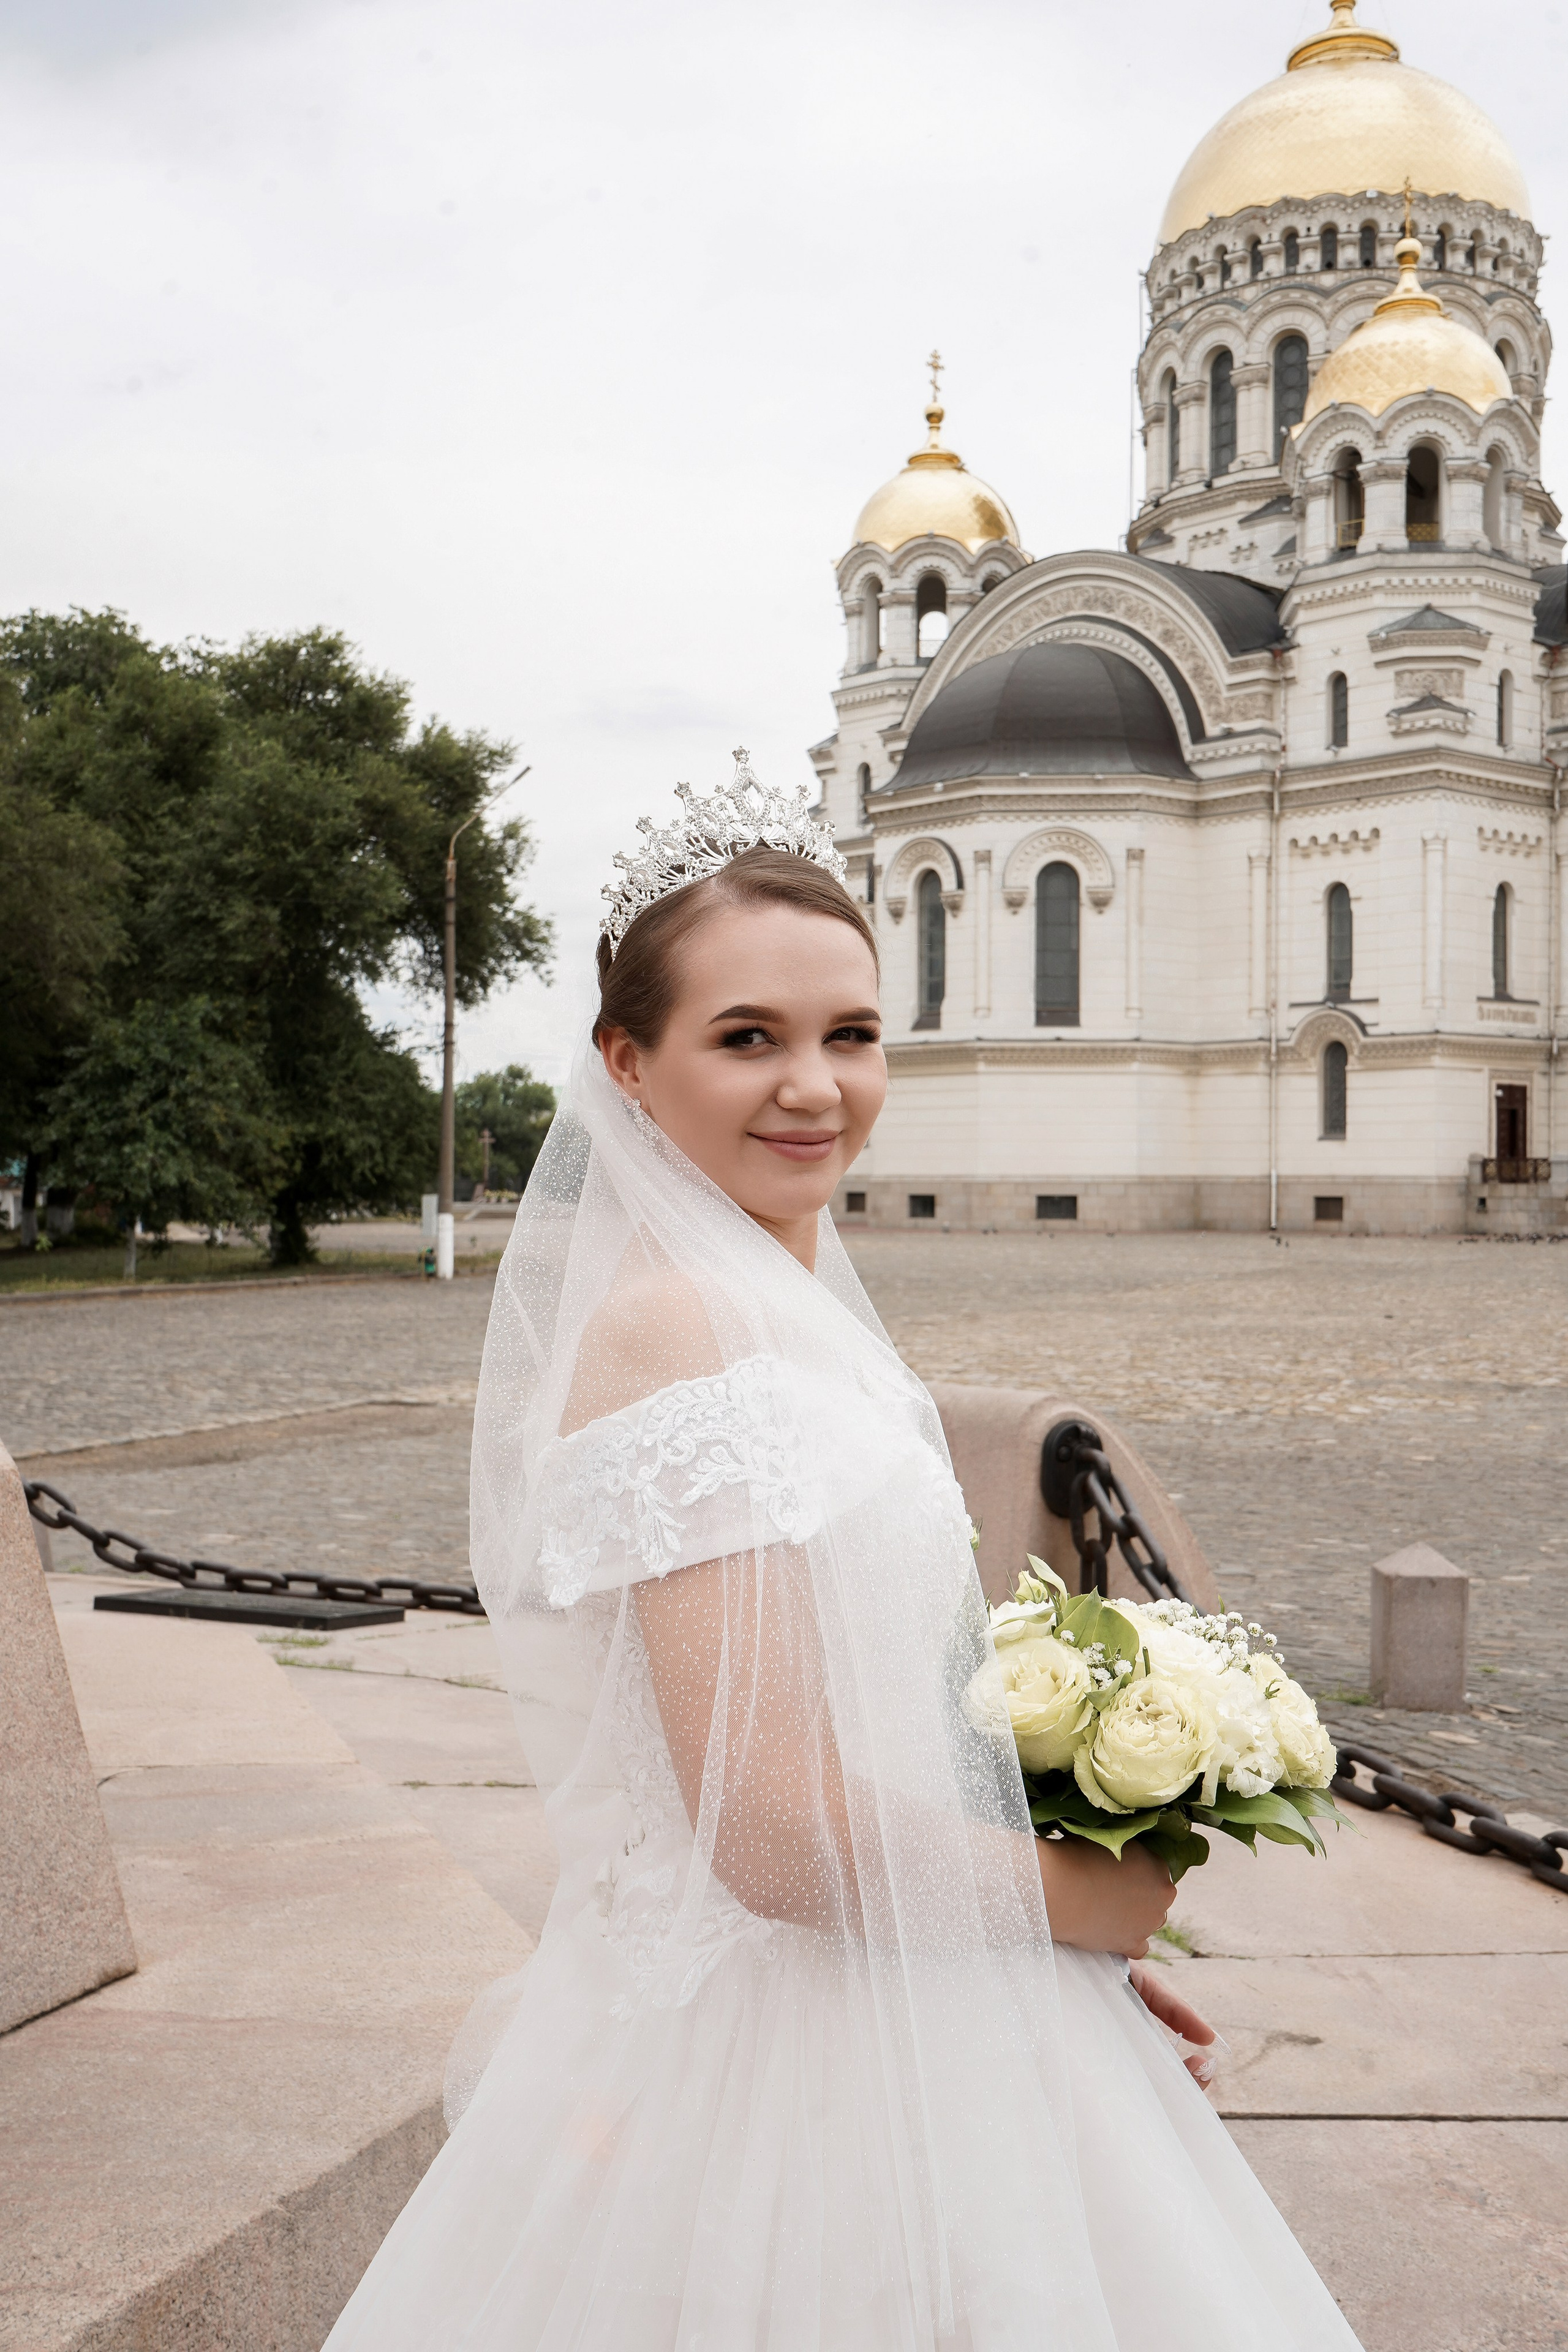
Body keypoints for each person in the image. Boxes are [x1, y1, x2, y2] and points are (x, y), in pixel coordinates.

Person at [323, 757, 1361, 2351]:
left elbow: (872, 1721)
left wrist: (1049, 1975)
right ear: (628, 1063)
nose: (815, 1086)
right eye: (747, 1039)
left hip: (912, 1986)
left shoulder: (787, 1307)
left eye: (850, 1035)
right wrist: (1075, 1909)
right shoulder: (676, 1331)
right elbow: (767, 1827)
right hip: (774, 2053)